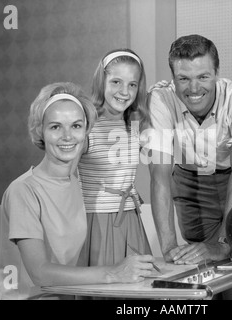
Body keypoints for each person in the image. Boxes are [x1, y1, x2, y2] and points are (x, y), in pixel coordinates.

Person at [0, 82, 155, 300]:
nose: (67, 136)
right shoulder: (23, 190)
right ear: (40, 130)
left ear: (87, 130)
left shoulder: (77, 184)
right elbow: (40, 273)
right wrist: (114, 272)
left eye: (76, 126)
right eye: (55, 127)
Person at [146, 34, 232, 299]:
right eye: (183, 78)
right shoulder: (160, 99)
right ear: (173, 77)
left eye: (203, 77)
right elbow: (159, 174)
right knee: (196, 267)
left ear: (217, 73)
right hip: (189, 180)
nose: (194, 88)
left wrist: (223, 244)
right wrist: (169, 249)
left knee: (231, 264)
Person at [78, 49, 152, 268]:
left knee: (137, 287)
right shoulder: (87, 123)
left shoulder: (135, 124)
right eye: (116, 82)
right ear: (101, 82)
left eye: (132, 84)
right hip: (97, 218)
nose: (124, 91)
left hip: (131, 216)